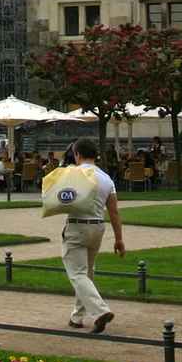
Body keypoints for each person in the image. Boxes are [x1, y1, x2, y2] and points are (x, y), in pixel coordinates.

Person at [54, 138, 124, 332]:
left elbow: (55, 197)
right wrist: (119, 238)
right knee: (87, 273)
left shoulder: (73, 174)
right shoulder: (106, 178)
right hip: (98, 227)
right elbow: (114, 212)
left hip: (77, 226)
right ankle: (77, 316)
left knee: (77, 273)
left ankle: (100, 311)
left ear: (77, 154)